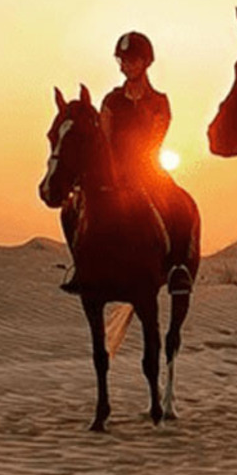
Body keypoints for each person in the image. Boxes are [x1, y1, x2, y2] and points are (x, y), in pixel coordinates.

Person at [61, 31, 192, 295]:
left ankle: (178, 268)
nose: (126, 65)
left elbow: (156, 139)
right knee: (70, 210)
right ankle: (81, 266)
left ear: (146, 62)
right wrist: (112, 169)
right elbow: (105, 139)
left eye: (132, 60)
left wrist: (138, 167)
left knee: (180, 206)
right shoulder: (111, 101)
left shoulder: (159, 102)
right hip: (114, 169)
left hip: (148, 169)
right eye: (122, 60)